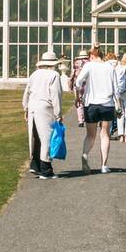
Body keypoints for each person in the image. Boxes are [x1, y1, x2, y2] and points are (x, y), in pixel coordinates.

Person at [22, 51, 65, 179]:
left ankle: (35, 165)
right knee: (47, 137)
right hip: (45, 107)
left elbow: (27, 92)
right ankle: (45, 169)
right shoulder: (54, 75)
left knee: (36, 136)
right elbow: (55, 95)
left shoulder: (34, 74)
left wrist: (26, 108)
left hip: (32, 106)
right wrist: (58, 113)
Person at [76, 47, 118, 173]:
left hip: (91, 104)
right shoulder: (110, 67)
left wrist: (79, 95)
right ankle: (104, 165)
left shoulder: (89, 66)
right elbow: (116, 88)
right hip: (107, 104)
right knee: (105, 135)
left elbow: (78, 82)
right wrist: (119, 105)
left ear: (93, 56)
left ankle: (85, 154)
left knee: (90, 135)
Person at [70, 49, 90, 126]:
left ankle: (81, 120)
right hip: (87, 84)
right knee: (87, 101)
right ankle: (88, 117)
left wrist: (70, 86)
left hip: (78, 84)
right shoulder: (89, 63)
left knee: (79, 102)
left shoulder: (76, 63)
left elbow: (72, 75)